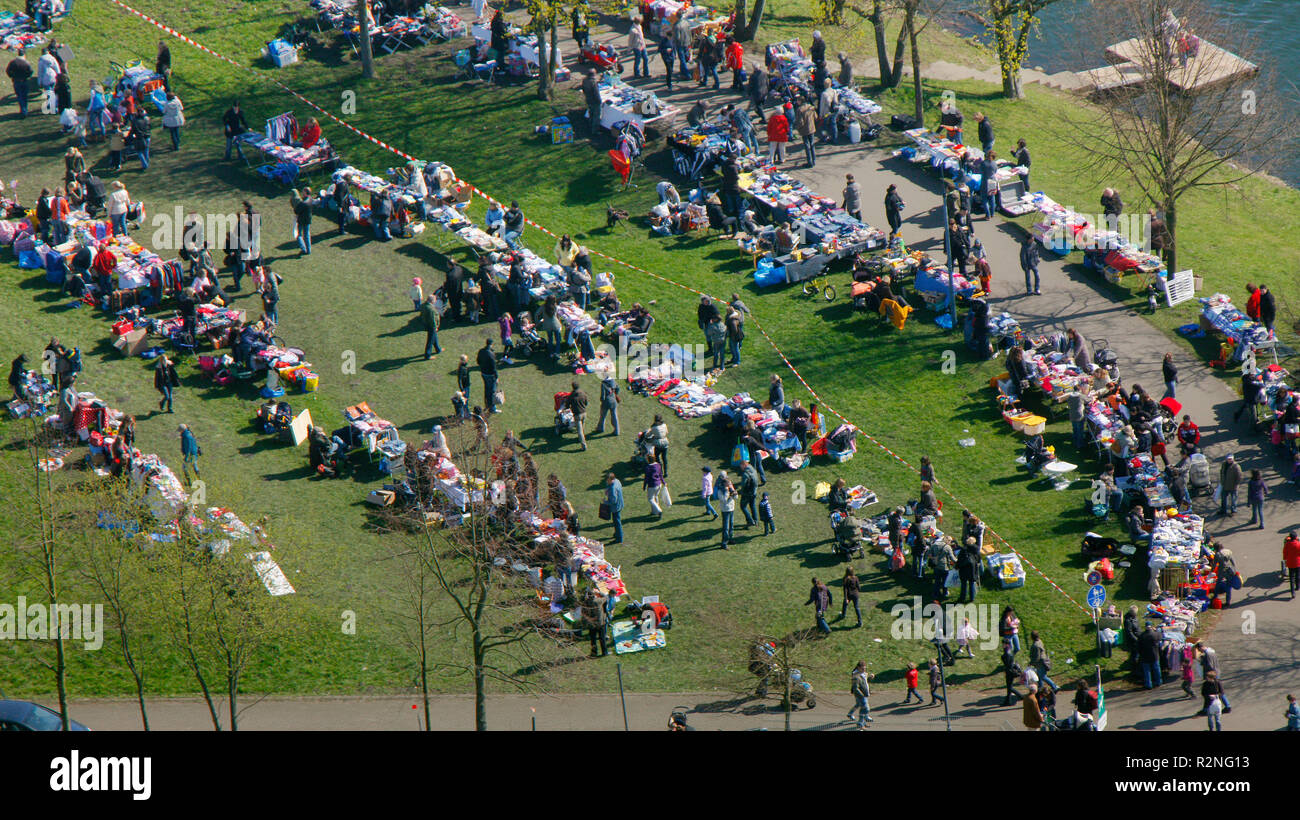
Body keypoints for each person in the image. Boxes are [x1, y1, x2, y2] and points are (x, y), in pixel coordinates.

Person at [6, 48, 32, 117]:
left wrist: (12, 76)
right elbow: (30, 71)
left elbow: (8, 71)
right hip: (24, 80)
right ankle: (24, 110)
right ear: (24, 54)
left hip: (16, 81)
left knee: (19, 96)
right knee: (25, 96)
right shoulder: (26, 62)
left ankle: (23, 110)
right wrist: (27, 76)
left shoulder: (13, 62)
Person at [583, 588, 608, 658]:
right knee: (602, 638)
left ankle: (594, 653)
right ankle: (604, 652)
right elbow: (606, 597)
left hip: (591, 623)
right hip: (600, 623)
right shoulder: (598, 601)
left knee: (593, 639)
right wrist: (599, 592)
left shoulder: (586, 602)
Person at [1136, 622, 1162, 689]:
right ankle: (1158, 682)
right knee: (1156, 669)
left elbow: (1138, 646)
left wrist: (1139, 654)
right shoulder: (1156, 634)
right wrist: (1155, 630)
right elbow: (1160, 636)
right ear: (1151, 627)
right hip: (1154, 654)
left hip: (1145, 656)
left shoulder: (1142, 635)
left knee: (1147, 671)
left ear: (1145, 627)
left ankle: (1148, 684)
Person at [477, 338, 499, 414]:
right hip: (490, 375)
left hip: (483, 373)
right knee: (492, 391)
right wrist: (496, 377)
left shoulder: (481, 351)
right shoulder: (491, 354)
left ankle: (486, 405)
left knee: (486, 390)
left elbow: (478, 361)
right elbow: (494, 368)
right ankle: (492, 408)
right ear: (491, 344)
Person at [848, 661, 873, 727]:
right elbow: (856, 688)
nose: (864, 670)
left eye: (865, 668)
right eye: (862, 668)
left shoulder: (863, 673)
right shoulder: (856, 675)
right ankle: (861, 722)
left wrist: (870, 677)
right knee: (865, 708)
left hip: (864, 693)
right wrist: (862, 696)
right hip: (861, 695)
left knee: (859, 705)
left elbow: (865, 682)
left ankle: (853, 716)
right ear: (858, 668)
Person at [419, 293, 442, 360]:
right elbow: (433, 320)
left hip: (426, 324)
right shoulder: (431, 309)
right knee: (430, 340)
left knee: (434, 337)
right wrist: (436, 327)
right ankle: (427, 355)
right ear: (432, 301)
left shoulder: (423, 305)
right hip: (431, 326)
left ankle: (438, 349)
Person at [794, 100, 816, 167]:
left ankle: (809, 162)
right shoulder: (811, 107)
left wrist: (798, 128)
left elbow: (801, 122)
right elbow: (815, 117)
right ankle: (814, 160)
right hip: (811, 128)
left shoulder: (800, 110)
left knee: (807, 146)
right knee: (812, 144)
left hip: (804, 130)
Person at [581, 68, 602, 139]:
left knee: (591, 113)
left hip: (588, 99)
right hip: (595, 101)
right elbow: (596, 93)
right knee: (596, 116)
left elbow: (583, 89)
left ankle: (590, 125)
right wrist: (599, 101)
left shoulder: (584, 80)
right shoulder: (593, 82)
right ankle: (595, 131)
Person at [718, 473, 737, 549]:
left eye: (730, 483)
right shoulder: (721, 491)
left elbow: (736, 497)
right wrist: (727, 492)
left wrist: (734, 493)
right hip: (725, 510)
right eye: (728, 483)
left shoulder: (730, 488)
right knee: (726, 527)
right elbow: (724, 500)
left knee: (731, 525)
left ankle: (730, 539)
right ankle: (724, 543)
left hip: (731, 508)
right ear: (724, 483)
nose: (730, 484)